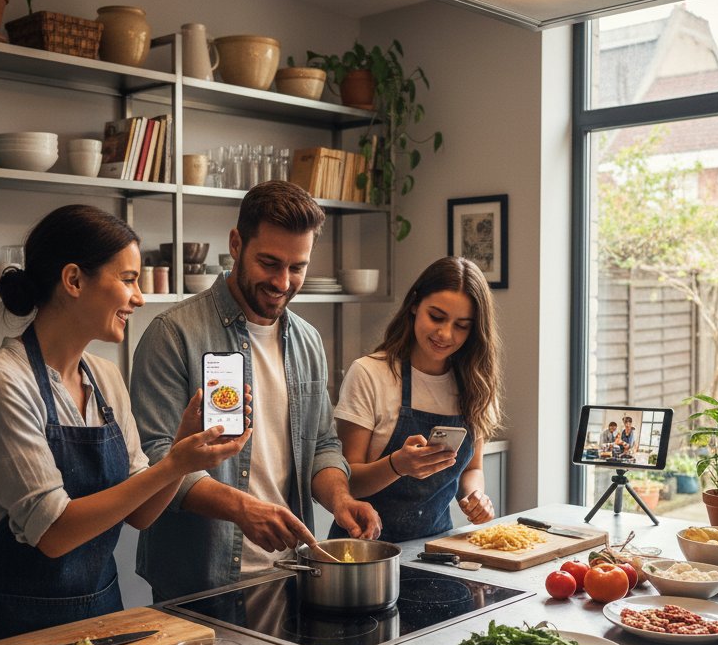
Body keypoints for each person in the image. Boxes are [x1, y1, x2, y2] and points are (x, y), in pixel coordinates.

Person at [0, 205, 249, 645]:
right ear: (73, 281)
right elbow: (53, 534)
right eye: (128, 279)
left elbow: (141, 514)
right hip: (10, 628)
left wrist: (178, 456)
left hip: (100, 616)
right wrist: (174, 467)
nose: (140, 298)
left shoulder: (105, 379)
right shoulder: (1, 383)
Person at [130, 180, 381, 601]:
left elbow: (322, 443)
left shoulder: (307, 340)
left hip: (292, 572)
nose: (283, 282)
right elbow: (156, 458)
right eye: (269, 263)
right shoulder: (173, 334)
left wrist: (339, 498)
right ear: (236, 243)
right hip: (200, 582)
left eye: (297, 267)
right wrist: (242, 509)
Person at [329, 256, 503, 543]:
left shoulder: (477, 384)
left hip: (436, 549)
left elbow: (472, 469)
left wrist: (475, 496)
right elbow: (347, 483)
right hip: (364, 552)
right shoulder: (370, 373)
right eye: (436, 316)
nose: (445, 334)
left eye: (462, 325)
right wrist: (397, 466)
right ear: (414, 305)